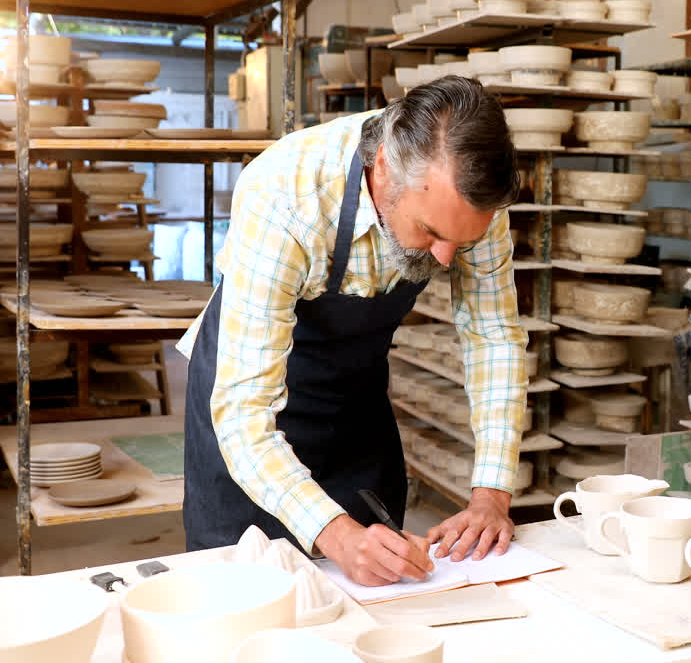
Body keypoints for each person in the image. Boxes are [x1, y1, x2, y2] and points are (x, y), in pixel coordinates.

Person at [177, 76, 529, 587]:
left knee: (372, 610)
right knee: (245, 606)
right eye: (430, 232)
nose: (446, 257)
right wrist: (336, 534)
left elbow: (493, 336)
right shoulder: (285, 196)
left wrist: (491, 495)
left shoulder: (468, 195)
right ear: (383, 167)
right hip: (248, 416)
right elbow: (246, 415)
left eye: (461, 240)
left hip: (352, 408)